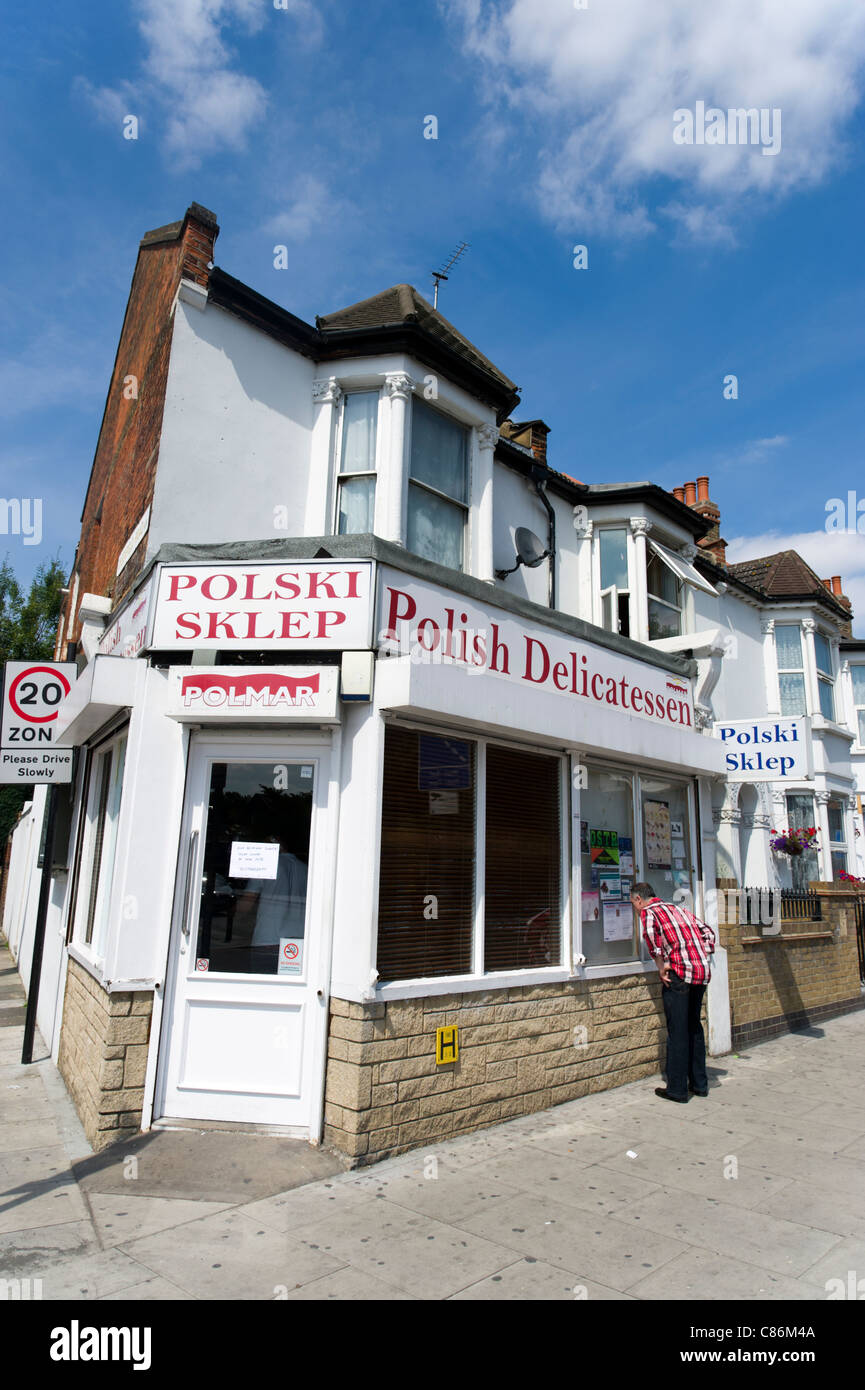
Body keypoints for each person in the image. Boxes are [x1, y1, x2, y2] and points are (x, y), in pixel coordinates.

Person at [629, 882, 716, 1104]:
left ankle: (677, 1090)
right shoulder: (678, 909)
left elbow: (651, 938)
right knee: (694, 1027)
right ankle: (700, 1084)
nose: (635, 908)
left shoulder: (649, 912)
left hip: (679, 974)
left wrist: (661, 965)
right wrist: (698, 954)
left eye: (633, 904)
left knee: (677, 1031)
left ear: (639, 899)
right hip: (700, 973)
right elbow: (708, 933)